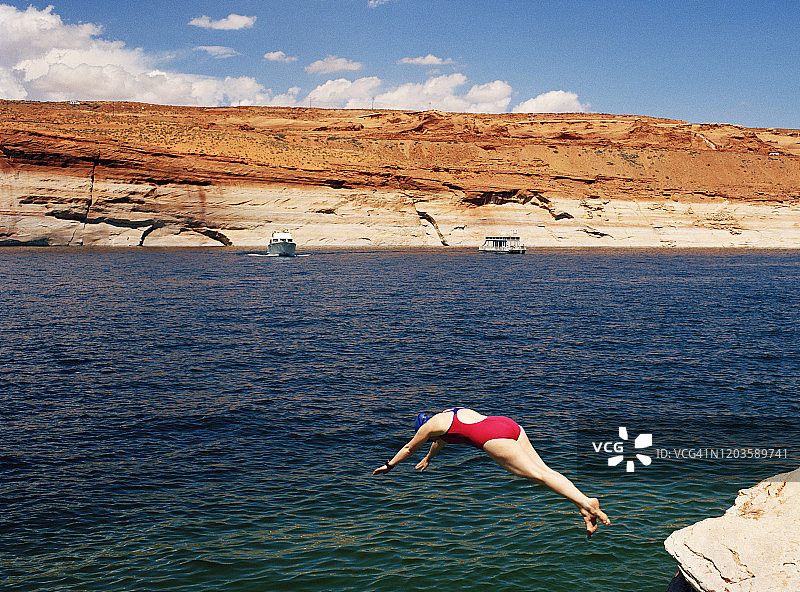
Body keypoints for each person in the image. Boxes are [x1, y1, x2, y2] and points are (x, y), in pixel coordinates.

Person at [372, 407, 610, 539]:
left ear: (424, 428)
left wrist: (390, 465)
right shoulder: (445, 415)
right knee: (545, 471)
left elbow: (408, 447)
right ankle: (582, 506)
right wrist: (428, 458)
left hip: (492, 439)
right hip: (508, 425)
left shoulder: (428, 428)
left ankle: (587, 502)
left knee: (538, 476)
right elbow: (440, 441)